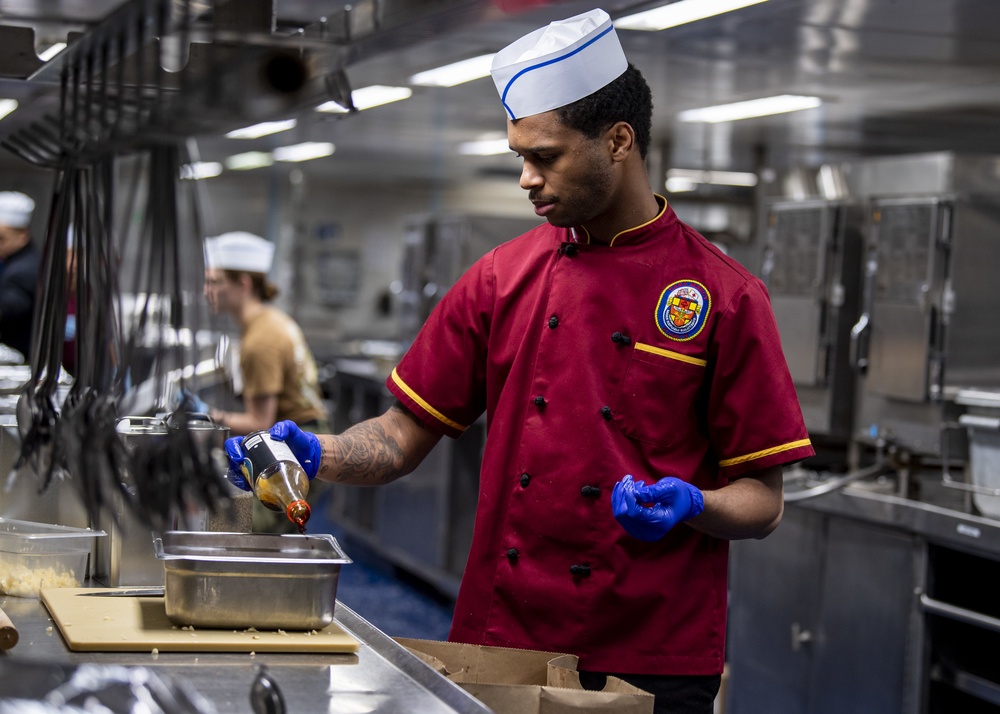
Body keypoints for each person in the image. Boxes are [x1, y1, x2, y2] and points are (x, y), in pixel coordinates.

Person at [225, 9, 813, 713]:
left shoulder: (723, 296)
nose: (527, 179)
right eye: (520, 159)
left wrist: (694, 504)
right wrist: (315, 452)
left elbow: (763, 501)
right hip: (501, 637)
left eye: (546, 156)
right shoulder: (501, 279)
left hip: (651, 655)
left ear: (618, 141)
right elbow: (400, 437)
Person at [198, 231, 328, 437]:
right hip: (309, 432)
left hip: (296, 441)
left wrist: (205, 416)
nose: (206, 291)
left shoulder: (260, 340)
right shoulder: (271, 320)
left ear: (243, 284)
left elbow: (259, 422)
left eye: (215, 282)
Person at [0, 191, 39, 360]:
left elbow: (8, 307)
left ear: (22, 236)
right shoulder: (15, 262)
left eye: (1, 239)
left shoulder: (24, 271)